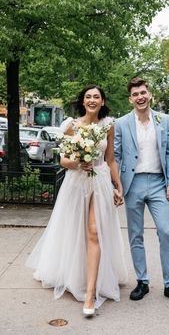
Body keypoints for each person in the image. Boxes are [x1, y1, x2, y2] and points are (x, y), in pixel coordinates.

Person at [26, 84, 128, 317]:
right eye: (88, 97)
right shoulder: (71, 126)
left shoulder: (108, 126)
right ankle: (74, 275)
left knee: (94, 232)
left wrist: (118, 185)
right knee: (74, 232)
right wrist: (78, 163)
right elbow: (63, 160)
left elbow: (110, 159)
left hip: (100, 181)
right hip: (76, 182)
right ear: (83, 101)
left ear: (103, 102)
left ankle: (90, 293)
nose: (92, 100)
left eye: (97, 97)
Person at [114, 77, 169, 305]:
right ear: (130, 99)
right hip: (132, 183)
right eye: (135, 94)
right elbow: (115, 156)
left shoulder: (163, 119)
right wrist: (116, 186)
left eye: (143, 92)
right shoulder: (122, 123)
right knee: (135, 234)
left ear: (150, 95)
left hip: (158, 183)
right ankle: (142, 281)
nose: (140, 97)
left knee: (165, 231)